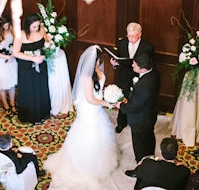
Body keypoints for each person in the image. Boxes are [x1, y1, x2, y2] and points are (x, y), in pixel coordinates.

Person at [44, 45, 125, 189]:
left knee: (101, 131)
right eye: (99, 61)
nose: (100, 63)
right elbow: (90, 99)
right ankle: (86, 165)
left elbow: (98, 90)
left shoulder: (97, 71)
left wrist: (107, 95)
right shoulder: (85, 78)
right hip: (90, 108)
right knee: (90, 131)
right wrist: (107, 102)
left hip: (97, 106)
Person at [115, 53, 160, 174]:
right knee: (149, 138)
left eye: (135, 65)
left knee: (140, 146)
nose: (132, 66)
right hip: (150, 114)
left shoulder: (144, 86)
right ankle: (150, 157)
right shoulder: (154, 73)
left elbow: (134, 107)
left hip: (140, 120)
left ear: (143, 69)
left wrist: (121, 105)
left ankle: (141, 170)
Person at [110, 22, 154, 134]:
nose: (130, 38)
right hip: (124, 76)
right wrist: (114, 64)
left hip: (139, 78)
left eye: (133, 36)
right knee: (122, 98)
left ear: (140, 34)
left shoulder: (147, 47)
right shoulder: (121, 43)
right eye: (129, 35)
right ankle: (121, 123)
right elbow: (118, 58)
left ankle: (134, 122)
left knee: (135, 101)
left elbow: (149, 65)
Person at [13, 13, 51, 124]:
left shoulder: (42, 30)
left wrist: (45, 53)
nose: (36, 29)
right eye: (34, 27)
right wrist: (32, 58)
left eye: (38, 26)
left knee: (41, 88)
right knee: (28, 90)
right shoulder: (20, 35)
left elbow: (46, 45)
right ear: (27, 25)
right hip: (26, 67)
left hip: (41, 64)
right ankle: (28, 116)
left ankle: (42, 113)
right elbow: (15, 52)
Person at [0, 15, 18, 115]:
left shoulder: (11, 29)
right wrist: (6, 57)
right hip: (0, 61)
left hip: (11, 59)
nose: (7, 28)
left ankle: (12, 103)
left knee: (12, 83)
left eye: (8, 25)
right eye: (4, 26)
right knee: (2, 84)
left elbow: (16, 42)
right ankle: (5, 104)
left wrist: (13, 53)